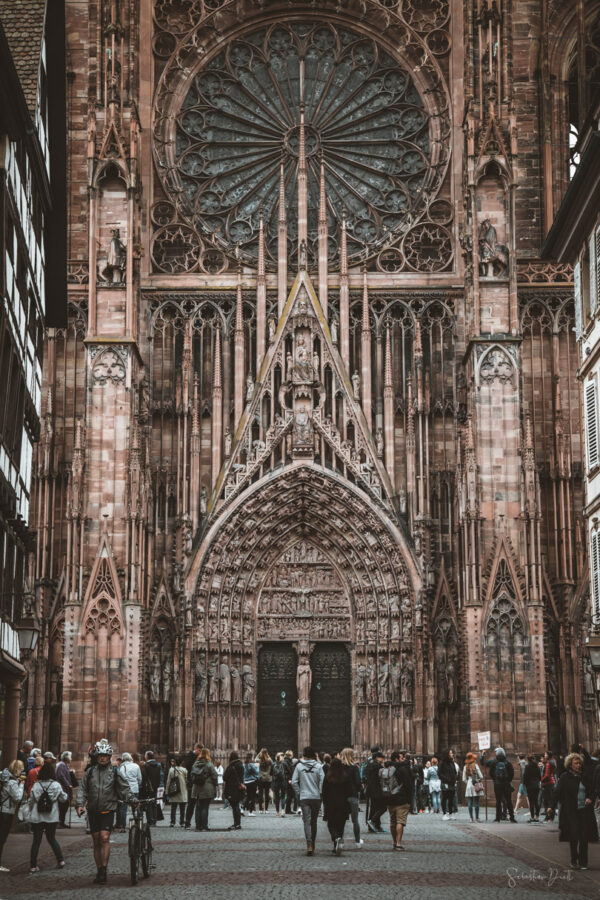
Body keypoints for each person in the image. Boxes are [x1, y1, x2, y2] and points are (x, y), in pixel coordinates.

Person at [76, 738, 137, 884]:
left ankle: (104, 868)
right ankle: (99, 870)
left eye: (105, 756)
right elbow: (83, 789)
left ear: (109, 757)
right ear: (97, 757)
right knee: (96, 840)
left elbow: (124, 788)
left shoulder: (115, 772)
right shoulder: (90, 772)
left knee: (104, 838)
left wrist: (133, 800)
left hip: (108, 809)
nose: (102, 758)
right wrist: (79, 804)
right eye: (100, 756)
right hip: (93, 810)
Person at [548, 752, 598, 870]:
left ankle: (583, 862)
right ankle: (574, 860)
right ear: (570, 764)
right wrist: (551, 805)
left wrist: (590, 798)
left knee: (584, 837)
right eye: (576, 763)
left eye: (580, 763)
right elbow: (557, 792)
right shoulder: (565, 777)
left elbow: (593, 790)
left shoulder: (584, 777)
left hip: (584, 810)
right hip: (571, 811)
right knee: (574, 835)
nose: (578, 765)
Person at [28, 760, 67, 874]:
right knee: (51, 838)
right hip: (51, 816)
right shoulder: (56, 785)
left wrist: (30, 809)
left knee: (36, 841)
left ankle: (33, 865)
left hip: (37, 816)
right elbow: (63, 798)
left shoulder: (36, 785)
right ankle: (60, 860)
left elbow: (31, 800)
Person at [292, 746, 324, 856]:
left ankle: (309, 844)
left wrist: (299, 793)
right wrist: (319, 792)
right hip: (315, 797)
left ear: (304, 755)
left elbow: (294, 782)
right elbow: (322, 782)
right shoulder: (319, 766)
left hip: (304, 797)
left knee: (307, 822)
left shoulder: (299, 766)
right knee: (314, 822)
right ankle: (313, 844)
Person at [380, 750, 413, 850]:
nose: (403, 759)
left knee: (393, 822)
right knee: (400, 822)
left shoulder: (388, 768)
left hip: (390, 799)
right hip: (402, 799)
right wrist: (409, 799)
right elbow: (408, 785)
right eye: (401, 757)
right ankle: (398, 843)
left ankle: (394, 842)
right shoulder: (403, 769)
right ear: (397, 759)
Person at [322, 757, 353, 855]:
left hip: (331, 804)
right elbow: (350, 792)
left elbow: (324, 792)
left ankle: (336, 839)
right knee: (341, 825)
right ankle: (338, 840)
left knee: (331, 824)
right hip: (343, 804)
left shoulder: (328, 777)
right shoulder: (346, 777)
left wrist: (325, 803)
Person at [0, 760, 25, 872]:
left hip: (1, 809)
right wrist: (21, 785)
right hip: (6, 812)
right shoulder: (12, 782)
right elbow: (18, 797)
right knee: (2, 838)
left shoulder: (3, 777)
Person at [484, 747, 515, 823]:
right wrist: (508, 781)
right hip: (506, 784)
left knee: (498, 802)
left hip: (497, 784)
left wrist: (495, 780)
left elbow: (491, 772)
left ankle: (497, 818)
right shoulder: (507, 762)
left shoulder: (494, 762)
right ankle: (512, 817)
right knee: (509, 801)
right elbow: (512, 773)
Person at [190, 747, 218, 832]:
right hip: (206, 789)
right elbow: (214, 776)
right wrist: (215, 784)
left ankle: (198, 826)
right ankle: (204, 826)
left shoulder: (195, 764)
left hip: (197, 788)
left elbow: (192, 776)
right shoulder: (209, 764)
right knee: (205, 807)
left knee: (198, 807)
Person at [340, 747, 363, 847]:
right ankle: (357, 842)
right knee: (355, 820)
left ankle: (340, 842)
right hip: (352, 796)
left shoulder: (339, 767)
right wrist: (359, 790)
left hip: (341, 796)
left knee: (341, 820)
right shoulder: (354, 767)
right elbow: (358, 782)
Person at [118, 752, 142, 831]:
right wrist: (136, 784)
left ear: (123, 759)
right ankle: (139, 823)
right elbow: (139, 778)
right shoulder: (136, 766)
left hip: (126, 790)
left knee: (123, 808)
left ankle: (122, 826)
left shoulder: (122, 767)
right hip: (135, 789)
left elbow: (122, 779)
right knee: (136, 806)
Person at [364, 748, 387, 833]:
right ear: (377, 757)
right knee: (383, 807)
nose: (383, 759)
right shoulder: (378, 766)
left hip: (371, 790)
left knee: (374, 808)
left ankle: (374, 826)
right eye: (382, 758)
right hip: (377, 790)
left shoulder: (369, 765)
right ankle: (373, 822)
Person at [223, 751, 245, 830]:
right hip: (239, 788)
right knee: (236, 806)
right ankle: (237, 823)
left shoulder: (231, 766)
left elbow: (225, 777)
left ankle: (237, 824)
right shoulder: (241, 765)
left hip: (232, 789)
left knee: (235, 807)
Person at [141, 750, 162, 827]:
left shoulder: (146, 765)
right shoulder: (158, 765)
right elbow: (160, 776)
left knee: (148, 804)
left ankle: (150, 820)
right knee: (154, 803)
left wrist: (143, 787)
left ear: (147, 756)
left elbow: (144, 778)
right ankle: (155, 820)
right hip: (155, 786)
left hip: (148, 788)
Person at [165, 757, 188, 827]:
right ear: (181, 762)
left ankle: (172, 822)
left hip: (174, 790)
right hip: (182, 790)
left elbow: (168, 781)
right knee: (182, 808)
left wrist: (166, 791)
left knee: (173, 808)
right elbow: (186, 780)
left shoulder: (171, 770)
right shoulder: (184, 770)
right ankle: (182, 822)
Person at [56, 751, 75, 828]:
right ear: (66, 758)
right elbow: (61, 776)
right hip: (62, 788)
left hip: (65, 788)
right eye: (70, 757)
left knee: (65, 805)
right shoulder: (61, 765)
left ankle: (62, 821)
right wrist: (68, 784)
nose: (71, 759)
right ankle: (60, 822)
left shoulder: (65, 765)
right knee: (63, 805)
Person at [462, 752, 483, 823]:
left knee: (470, 802)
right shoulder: (476, 766)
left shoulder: (465, 767)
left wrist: (468, 782)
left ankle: (471, 818)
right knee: (476, 802)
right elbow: (481, 776)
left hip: (469, 784)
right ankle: (477, 818)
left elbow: (463, 779)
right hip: (475, 784)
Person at [439, 749, 458, 820]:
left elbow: (455, 772)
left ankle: (451, 813)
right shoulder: (442, 763)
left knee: (451, 799)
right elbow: (439, 773)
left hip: (452, 783)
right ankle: (444, 813)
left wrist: (455, 778)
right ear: (447, 754)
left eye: (452, 753)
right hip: (445, 783)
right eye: (450, 753)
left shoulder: (452, 762)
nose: (452, 754)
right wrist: (446, 779)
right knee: (444, 798)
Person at [523, 753, 541, 823]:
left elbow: (525, 777)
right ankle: (537, 817)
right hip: (536, 785)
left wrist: (525, 784)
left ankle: (532, 817)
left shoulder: (527, 767)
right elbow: (539, 776)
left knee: (531, 802)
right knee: (536, 801)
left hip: (529, 786)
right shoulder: (536, 766)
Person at [541, 751, 557, 822]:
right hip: (551, 782)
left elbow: (547, 775)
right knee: (550, 800)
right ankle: (550, 817)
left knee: (547, 801)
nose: (544, 755)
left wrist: (541, 779)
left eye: (545, 754)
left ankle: (549, 817)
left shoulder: (548, 763)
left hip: (547, 783)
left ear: (548, 755)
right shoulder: (553, 762)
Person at [256, 748, 273, 813]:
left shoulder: (259, 760)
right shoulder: (269, 760)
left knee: (260, 794)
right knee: (266, 794)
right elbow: (272, 763)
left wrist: (260, 753)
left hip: (260, 778)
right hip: (268, 779)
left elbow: (255, 759)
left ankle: (260, 809)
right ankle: (266, 809)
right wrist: (267, 754)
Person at [283, 750, 296, 814]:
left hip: (289, 780)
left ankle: (288, 809)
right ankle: (287, 810)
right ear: (290, 755)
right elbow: (287, 772)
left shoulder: (288, 761)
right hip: (288, 780)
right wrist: (289, 779)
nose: (293, 755)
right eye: (292, 754)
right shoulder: (286, 762)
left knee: (290, 795)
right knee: (289, 795)